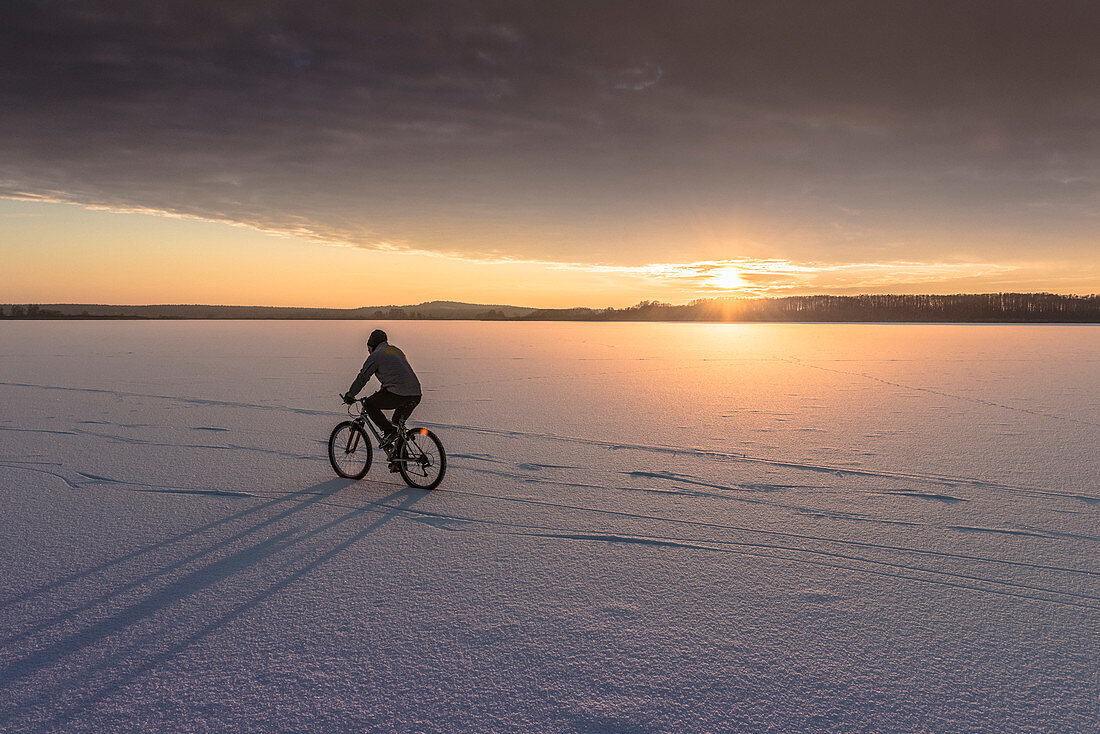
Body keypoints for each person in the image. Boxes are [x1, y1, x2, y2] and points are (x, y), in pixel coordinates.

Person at [342, 329, 422, 470]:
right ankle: (399, 460)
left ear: (372, 345)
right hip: (415, 393)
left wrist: (350, 394)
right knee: (398, 423)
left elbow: (363, 377)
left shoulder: (376, 355)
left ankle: (388, 431)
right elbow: (396, 374)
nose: (368, 350)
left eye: (369, 347)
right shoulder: (396, 350)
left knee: (369, 404)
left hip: (398, 393)